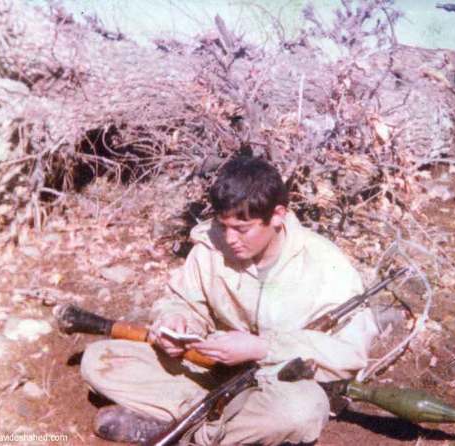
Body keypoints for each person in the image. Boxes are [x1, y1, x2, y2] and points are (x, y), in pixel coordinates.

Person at [80, 157, 380, 445]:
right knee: (99, 360)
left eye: (242, 229)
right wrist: (176, 321)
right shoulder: (212, 245)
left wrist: (264, 348)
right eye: (223, 226)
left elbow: (349, 355)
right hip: (212, 373)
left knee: (301, 411)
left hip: (280, 387)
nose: (230, 239)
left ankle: (191, 433)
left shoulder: (326, 265)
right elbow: (183, 300)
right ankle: (215, 428)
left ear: (277, 215)